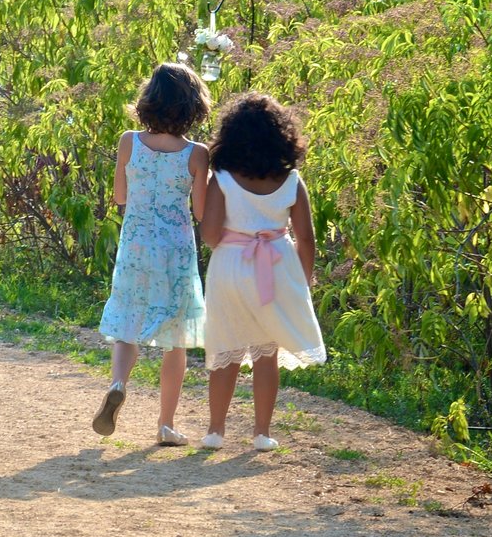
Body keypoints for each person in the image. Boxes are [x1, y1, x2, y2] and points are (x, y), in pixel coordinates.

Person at [198, 92, 327, 449]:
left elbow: (209, 235)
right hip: (277, 267)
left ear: (232, 136)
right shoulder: (291, 180)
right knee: (265, 354)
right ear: (282, 136)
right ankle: (262, 433)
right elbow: (306, 238)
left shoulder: (221, 177)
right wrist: (301, 282)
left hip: (230, 268)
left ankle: (215, 431)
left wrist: (235, 234)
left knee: (226, 351)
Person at [92, 63, 211, 445]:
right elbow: (201, 212)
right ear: (193, 106)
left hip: (136, 244)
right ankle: (165, 424)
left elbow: (120, 197)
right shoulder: (197, 154)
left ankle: (117, 383)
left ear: (149, 100)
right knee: (175, 338)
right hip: (175, 250)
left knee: (128, 322)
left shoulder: (130, 141)